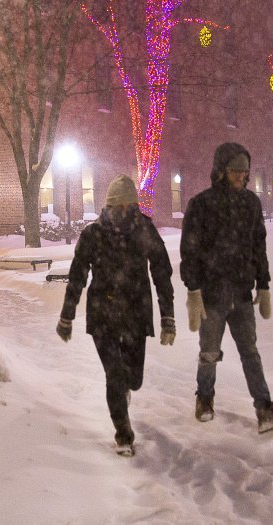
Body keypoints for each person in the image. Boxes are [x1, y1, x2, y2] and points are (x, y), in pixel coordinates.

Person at [56, 174, 176, 456]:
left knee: (133, 379)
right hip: (103, 315)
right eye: (117, 207)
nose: (123, 212)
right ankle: (124, 435)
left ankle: (125, 390)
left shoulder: (143, 229)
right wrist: (67, 316)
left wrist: (167, 316)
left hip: (136, 314)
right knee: (114, 375)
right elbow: (77, 276)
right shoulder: (93, 234)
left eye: (128, 207)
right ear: (109, 206)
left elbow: (162, 273)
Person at [179, 142, 273, 434]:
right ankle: (204, 399)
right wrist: (193, 291)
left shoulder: (250, 204)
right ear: (221, 171)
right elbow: (189, 252)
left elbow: (258, 246)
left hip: (241, 292)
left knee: (250, 352)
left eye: (244, 171)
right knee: (209, 353)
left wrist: (263, 285)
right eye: (235, 171)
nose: (241, 177)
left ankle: (264, 408)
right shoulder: (201, 205)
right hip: (212, 294)